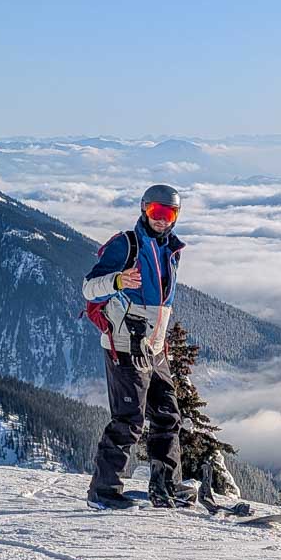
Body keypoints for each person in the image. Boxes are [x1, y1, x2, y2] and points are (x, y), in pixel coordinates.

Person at [82, 184, 195, 510]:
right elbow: (89, 289)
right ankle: (103, 492)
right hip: (125, 344)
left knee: (167, 416)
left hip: (154, 347)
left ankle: (165, 487)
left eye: (168, 214)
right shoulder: (125, 245)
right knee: (129, 419)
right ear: (144, 210)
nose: (161, 220)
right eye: (155, 213)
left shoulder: (170, 250)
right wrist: (117, 282)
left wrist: (160, 343)